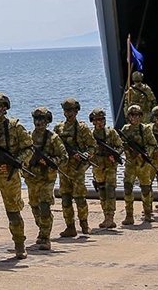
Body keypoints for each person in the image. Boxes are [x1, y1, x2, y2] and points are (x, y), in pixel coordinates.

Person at [0, 92, 34, 260]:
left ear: (5, 108)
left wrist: (15, 162)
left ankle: (19, 244)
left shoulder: (14, 126)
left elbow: (29, 148)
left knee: (13, 212)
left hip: (9, 176)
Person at [24, 107, 68, 250]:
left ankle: (45, 237)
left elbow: (64, 157)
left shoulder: (53, 138)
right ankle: (42, 228)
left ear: (47, 121)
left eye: (42, 119)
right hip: (32, 178)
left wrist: (50, 161)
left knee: (44, 207)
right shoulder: (28, 137)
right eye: (36, 119)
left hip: (47, 179)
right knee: (34, 207)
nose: (38, 122)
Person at [53, 97, 96, 237]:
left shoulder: (82, 128)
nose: (69, 113)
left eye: (71, 111)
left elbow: (92, 146)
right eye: (66, 111)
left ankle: (84, 224)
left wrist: (85, 155)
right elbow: (53, 146)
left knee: (80, 198)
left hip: (77, 169)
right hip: (64, 170)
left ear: (76, 111)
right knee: (65, 199)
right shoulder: (58, 128)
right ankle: (70, 226)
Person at [119, 104, 158, 224]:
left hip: (143, 165)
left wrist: (145, 153)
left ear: (141, 116)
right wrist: (124, 148)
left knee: (146, 189)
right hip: (130, 164)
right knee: (127, 189)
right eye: (132, 115)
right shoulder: (125, 129)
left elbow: (153, 144)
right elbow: (120, 144)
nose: (135, 118)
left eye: (137, 115)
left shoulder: (145, 129)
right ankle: (129, 215)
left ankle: (148, 213)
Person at [88, 108, 124, 229]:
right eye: (98, 119)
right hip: (98, 167)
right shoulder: (90, 135)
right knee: (102, 190)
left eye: (102, 119)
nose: (101, 122)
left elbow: (120, 146)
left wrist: (116, 154)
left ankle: (110, 217)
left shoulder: (111, 133)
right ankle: (105, 215)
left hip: (110, 166)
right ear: (93, 121)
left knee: (110, 189)